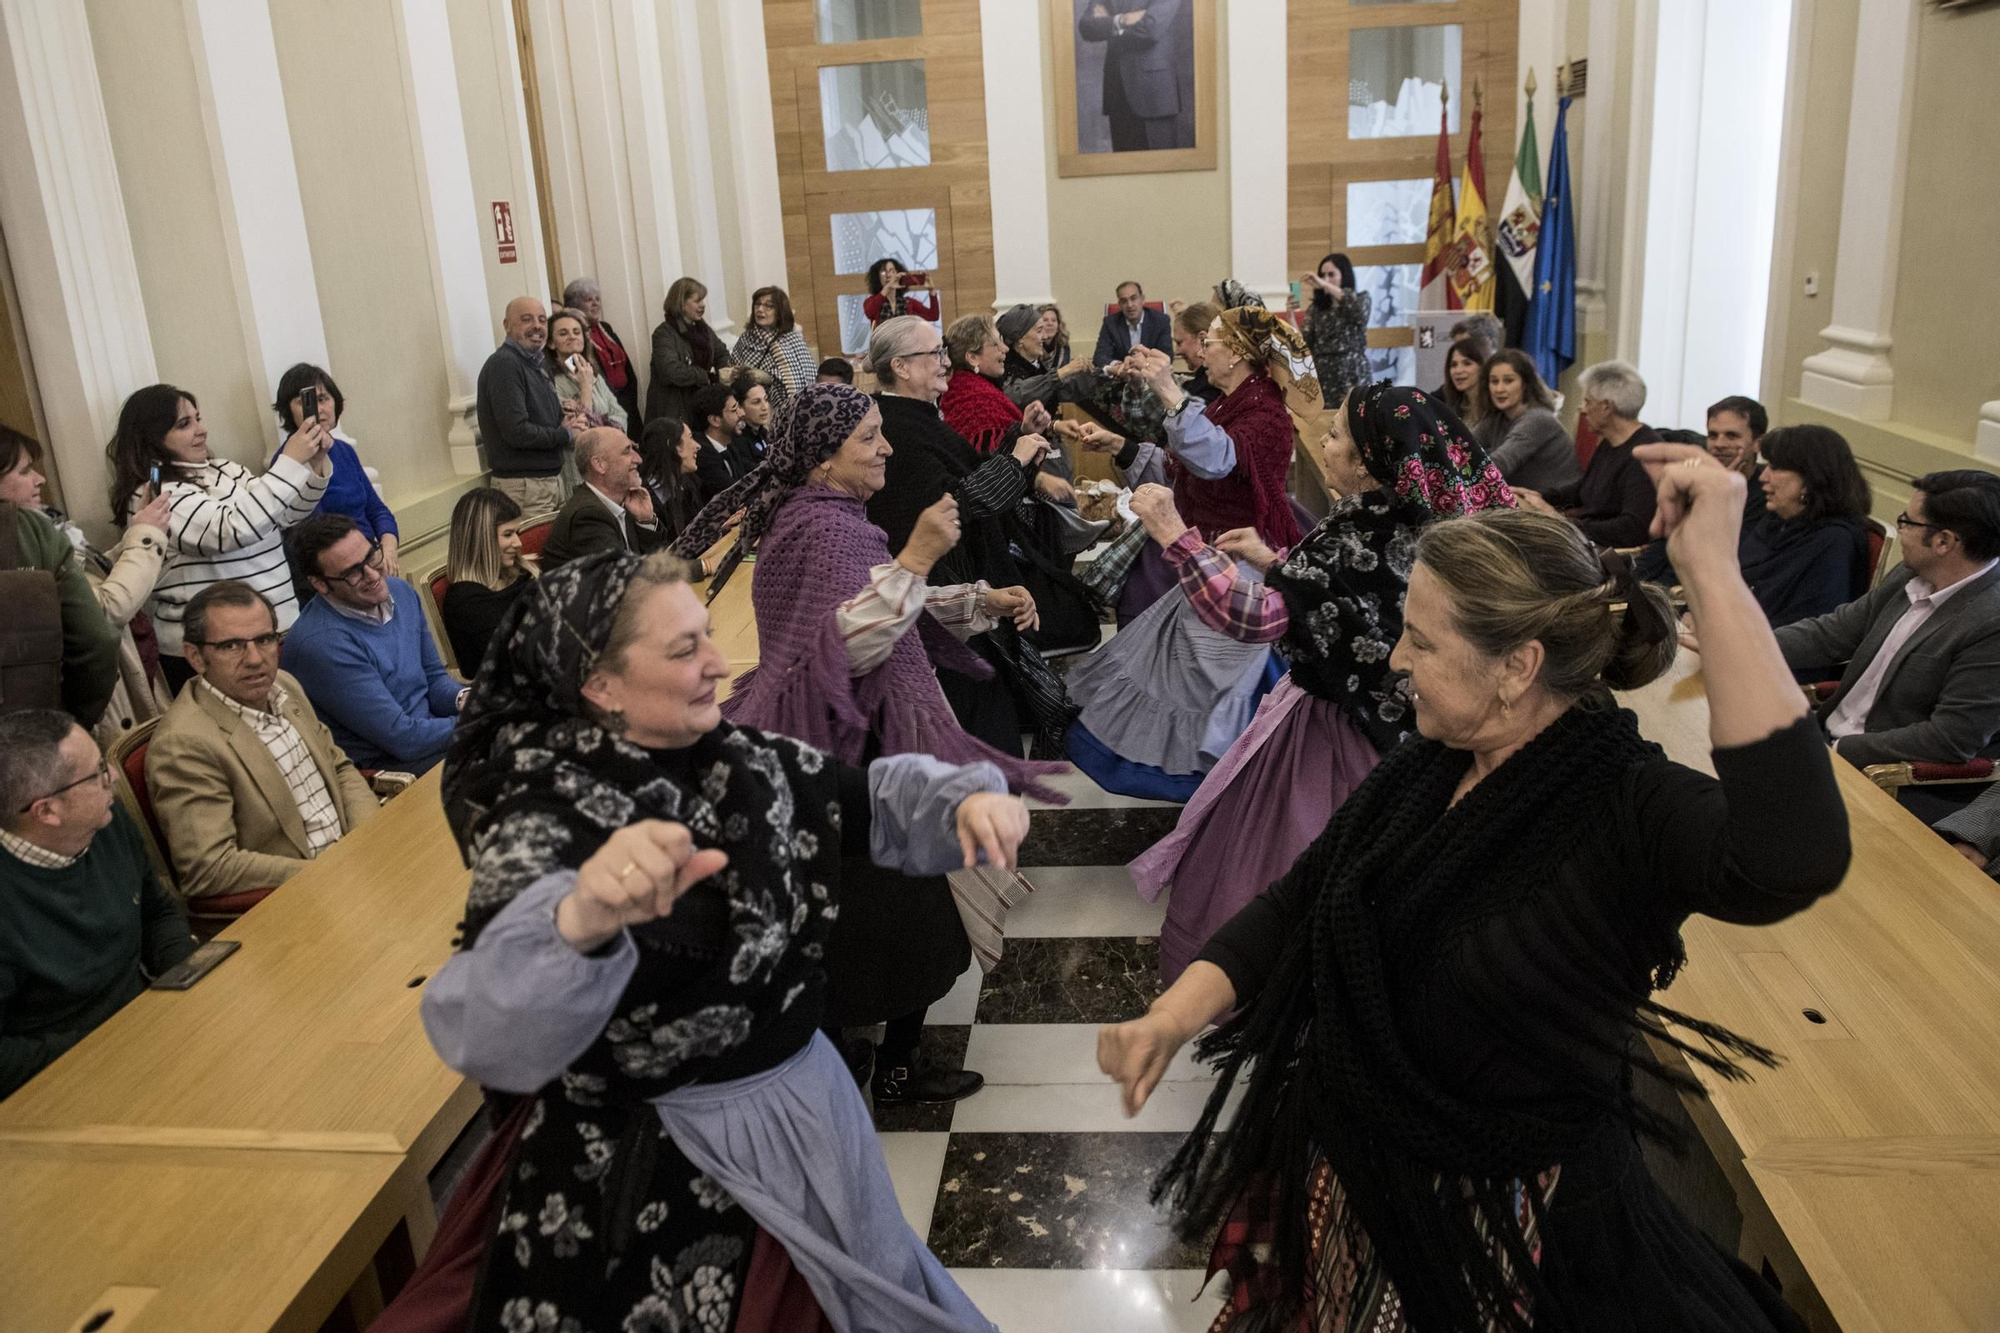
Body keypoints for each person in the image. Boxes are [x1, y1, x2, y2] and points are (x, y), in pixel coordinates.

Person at [1101, 453, 1850, 1333]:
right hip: (1357, 1184)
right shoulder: (1428, 763)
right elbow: (1302, 899)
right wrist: (1173, 1016)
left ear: (1517, 664)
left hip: (1508, 1243)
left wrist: (1714, 577)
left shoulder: (1627, 807)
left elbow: (1792, 855)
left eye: (1421, 637)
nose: (1395, 655)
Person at [424, 547, 1027, 1332]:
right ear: (598, 684)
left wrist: (965, 802)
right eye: (685, 650)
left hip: (807, 1109)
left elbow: (873, 799)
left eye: (708, 635)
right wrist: (582, 920)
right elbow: (490, 1029)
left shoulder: (745, 759)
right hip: (661, 1162)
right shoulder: (542, 812)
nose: (717, 662)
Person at [674, 381, 1062, 1103]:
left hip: (841, 741)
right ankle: (889, 1065)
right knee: (894, 921)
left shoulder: (826, 517)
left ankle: (866, 1055)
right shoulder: (823, 529)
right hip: (852, 750)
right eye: (870, 438)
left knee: (873, 919)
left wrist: (975, 598)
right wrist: (918, 556)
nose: (887, 447)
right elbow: (846, 642)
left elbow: (883, 603)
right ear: (823, 458)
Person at [1132, 384, 1515, 982]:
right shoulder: (1416, 522)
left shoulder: (1365, 531)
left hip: (1337, 736)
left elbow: (1254, 618)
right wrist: (1276, 562)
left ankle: (1286, 999)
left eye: (1335, 434)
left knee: (1288, 874)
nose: (1324, 444)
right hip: (1405, 733)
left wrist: (1172, 534)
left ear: (1367, 462)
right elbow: (1341, 600)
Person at [1062, 306, 1318, 796]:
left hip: (1243, 564)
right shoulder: (1228, 403)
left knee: (1212, 686)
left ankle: (1227, 787)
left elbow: (1216, 460)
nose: (1203, 350)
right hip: (1212, 556)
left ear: (1240, 353)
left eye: (1214, 341)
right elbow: (1187, 471)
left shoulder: (1265, 412)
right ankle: (1213, 788)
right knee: (1183, 677)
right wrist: (1122, 446)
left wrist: (1169, 391)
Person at [862, 316, 1092, 753]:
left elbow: (968, 470)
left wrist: (1020, 439)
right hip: (938, 594)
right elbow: (956, 506)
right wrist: (1016, 461)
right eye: (934, 354)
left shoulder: (917, 416)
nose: (944, 362)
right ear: (902, 367)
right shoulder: (896, 428)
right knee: (980, 720)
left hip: (961, 585)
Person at [1763, 470, 2000, 822]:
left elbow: (1951, 738)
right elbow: (1836, 632)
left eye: (1907, 522)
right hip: (1820, 741)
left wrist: (1840, 749)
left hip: (1888, 784)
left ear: (1944, 542)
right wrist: (1740, 643)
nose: (1900, 529)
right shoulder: (1911, 575)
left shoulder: (1990, 621)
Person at [0, 710, 194, 1099]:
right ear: (47, 811)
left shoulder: (103, 821)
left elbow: (156, 912)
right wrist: (109, 1046)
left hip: (149, 1034)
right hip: (60, 1082)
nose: (115, 778)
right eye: (97, 775)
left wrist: (192, 975)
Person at [148, 581, 379, 900]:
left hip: (359, 865)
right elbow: (211, 867)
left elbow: (339, 768)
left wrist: (369, 840)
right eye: (232, 646)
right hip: (299, 900)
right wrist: (325, 874)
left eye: (265, 639)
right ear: (196, 657)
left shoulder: (285, 685)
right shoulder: (184, 744)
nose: (256, 659)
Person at [106, 383, 330, 694]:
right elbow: (230, 530)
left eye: (198, 419)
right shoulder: (153, 495)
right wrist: (290, 461)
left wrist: (313, 465)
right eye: (185, 424)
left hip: (279, 628)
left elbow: (285, 514)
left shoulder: (226, 470)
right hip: (221, 648)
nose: (201, 431)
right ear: (153, 438)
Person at [1, 427, 163, 741]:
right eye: (24, 471)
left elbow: (87, 576)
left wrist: (133, 538)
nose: (40, 479)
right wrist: (146, 538)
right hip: (47, 724)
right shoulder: (30, 531)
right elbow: (101, 622)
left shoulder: (46, 527)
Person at [281, 514, 462, 774]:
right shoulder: (322, 645)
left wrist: (464, 700)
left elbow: (433, 679)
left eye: (371, 556)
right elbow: (402, 740)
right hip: (393, 770)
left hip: (435, 740)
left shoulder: (400, 591)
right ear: (320, 583)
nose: (373, 575)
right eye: (353, 572)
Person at [1727, 425, 1873, 627]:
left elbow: (1811, 626)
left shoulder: (1834, 541)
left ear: (1810, 479)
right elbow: (1733, 577)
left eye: (1775, 468)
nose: (1763, 477)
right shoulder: (1777, 521)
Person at [270, 363, 401, 577]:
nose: (318, 409)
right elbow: (316, 533)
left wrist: (388, 549)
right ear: (288, 410)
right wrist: (369, 558)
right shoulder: (287, 462)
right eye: (306, 402)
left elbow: (377, 510)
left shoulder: (344, 451)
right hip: (339, 571)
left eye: (323, 399)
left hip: (371, 556)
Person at [1516, 360, 1660, 548]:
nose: (1583, 409)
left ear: (1606, 407)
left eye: (1587, 401)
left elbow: (1631, 529)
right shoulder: (1610, 442)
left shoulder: (1645, 454)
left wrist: (1560, 521)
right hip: (1587, 541)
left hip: (1611, 554)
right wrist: (1535, 496)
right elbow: (1584, 489)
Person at [476, 296, 580, 513]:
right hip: (524, 487)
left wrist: (562, 415)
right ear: (506, 325)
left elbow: (542, 418)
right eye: (526, 320)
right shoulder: (504, 364)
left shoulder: (537, 362)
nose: (537, 326)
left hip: (547, 481)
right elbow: (516, 431)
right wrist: (566, 434)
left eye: (542, 320)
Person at [541, 428, 669, 570]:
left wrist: (645, 521)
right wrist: (696, 569)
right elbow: (621, 576)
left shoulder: (622, 502)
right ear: (599, 464)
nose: (638, 459)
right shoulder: (587, 516)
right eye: (627, 451)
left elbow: (658, 560)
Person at [440, 488, 535, 672]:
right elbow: (510, 661)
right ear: (482, 539)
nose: (518, 543)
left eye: (517, 532)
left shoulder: (521, 575)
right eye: (508, 534)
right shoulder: (465, 601)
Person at [1077, 0, 1186, 152]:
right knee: (1124, 170)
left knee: (1160, 170)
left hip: (1155, 95)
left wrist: (1110, 25)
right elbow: (1086, 27)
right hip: (1117, 92)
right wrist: (1122, 20)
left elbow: (1151, 29)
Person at [1470, 349, 1578, 495]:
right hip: (1522, 498)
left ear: (1525, 384)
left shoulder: (1538, 419)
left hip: (1556, 503)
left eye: (1508, 381)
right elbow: (1462, 445)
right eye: (1494, 381)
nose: (1499, 389)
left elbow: (1500, 464)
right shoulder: (1496, 417)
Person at [1291, 252, 1372, 408]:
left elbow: (1359, 312)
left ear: (1344, 275)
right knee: (1327, 424)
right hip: (1325, 376)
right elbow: (1302, 343)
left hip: (1352, 373)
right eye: (1322, 275)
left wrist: (1325, 285)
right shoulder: (1317, 308)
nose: (1325, 279)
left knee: (1355, 420)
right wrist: (1290, 316)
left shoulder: (1361, 298)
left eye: (1331, 274)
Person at [646, 276, 729, 427]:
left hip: (699, 403)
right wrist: (706, 377)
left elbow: (721, 352)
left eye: (703, 301)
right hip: (674, 410)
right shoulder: (664, 334)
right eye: (697, 301)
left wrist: (725, 373)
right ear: (682, 304)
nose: (703, 305)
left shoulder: (703, 329)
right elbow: (670, 371)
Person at [562, 276, 642, 426]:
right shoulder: (572, 339)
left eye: (598, 299)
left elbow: (627, 368)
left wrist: (629, 398)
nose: (595, 304)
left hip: (627, 402)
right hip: (602, 406)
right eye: (589, 300)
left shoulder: (606, 328)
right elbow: (578, 371)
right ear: (575, 304)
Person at [995, 303, 1095, 416]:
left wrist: (1106, 372)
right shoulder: (1007, 368)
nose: (1045, 336)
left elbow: (1065, 391)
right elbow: (1017, 397)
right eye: (1039, 331)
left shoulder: (1037, 365)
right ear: (1021, 339)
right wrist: (1061, 372)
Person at [731, 286, 817, 411]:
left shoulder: (792, 341)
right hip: (752, 409)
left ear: (780, 312)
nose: (760, 309)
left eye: (768, 306)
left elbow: (802, 382)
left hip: (787, 409)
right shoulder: (745, 339)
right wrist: (742, 374)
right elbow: (735, 373)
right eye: (757, 304)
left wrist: (769, 378)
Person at [547, 307, 628, 435]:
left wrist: (598, 424)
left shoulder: (593, 373)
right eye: (563, 333)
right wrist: (585, 386)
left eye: (576, 332)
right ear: (551, 343)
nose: (572, 337)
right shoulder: (550, 382)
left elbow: (620, 415)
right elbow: (579, 429)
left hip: (607, 445)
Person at [636, 414, 705, 542]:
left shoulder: (689, 484)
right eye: (690, 438)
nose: (698, 446)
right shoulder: (646, 498)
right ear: (674, 445)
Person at [690, 383, 759, 503]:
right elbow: (735, 492)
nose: (742, 413)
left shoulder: (730, 443)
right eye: (734, 410)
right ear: (715, 420)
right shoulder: (702, 454)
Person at [1093, 281, 1172, 367]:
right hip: (1121, 376)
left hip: (1151, 375)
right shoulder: (1110, 323)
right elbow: (1099, 357)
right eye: (1124, 301)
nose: (1130, 305)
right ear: (1119, 304)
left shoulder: (1160, 321)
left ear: (1142, 299)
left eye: (1133, 298)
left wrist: (1144, 364)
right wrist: (1119, 365)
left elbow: (1167, 356)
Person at [862, 257, 940, 327]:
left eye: (892, 271)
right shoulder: (872, 301)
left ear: (898, 274)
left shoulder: (908, 302)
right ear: (877, 277)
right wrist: (887, 287)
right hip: (883, 343)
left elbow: (933, 316)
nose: (888, 275)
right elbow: (869, 312)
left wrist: (931, 290)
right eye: (883, 272)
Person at [1434, 336, 1487, 426]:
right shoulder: (1453, 407)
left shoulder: (1493, 409)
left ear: (1482, 367)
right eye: (1454, 365)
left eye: (1467, 363)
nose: (1458, 371)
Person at [729, 371, 776, 456]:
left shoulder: (765, 434)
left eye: (766, 400)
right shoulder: (737, 441)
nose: (764, 407)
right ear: (740, 406)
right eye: (756, 402)